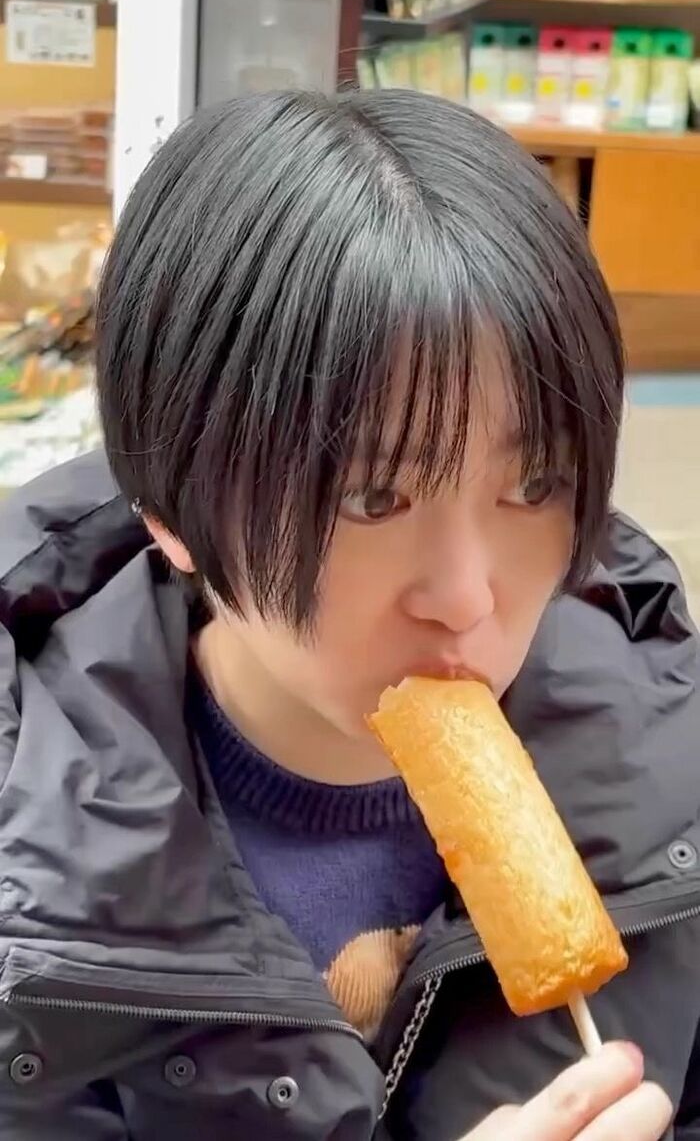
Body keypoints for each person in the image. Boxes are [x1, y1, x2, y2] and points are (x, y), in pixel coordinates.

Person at [0, 90, 697, 1141]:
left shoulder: (676, 777)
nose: (466, 595)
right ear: (172, 513)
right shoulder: (24, 834)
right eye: (373, 498)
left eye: (535, 481)